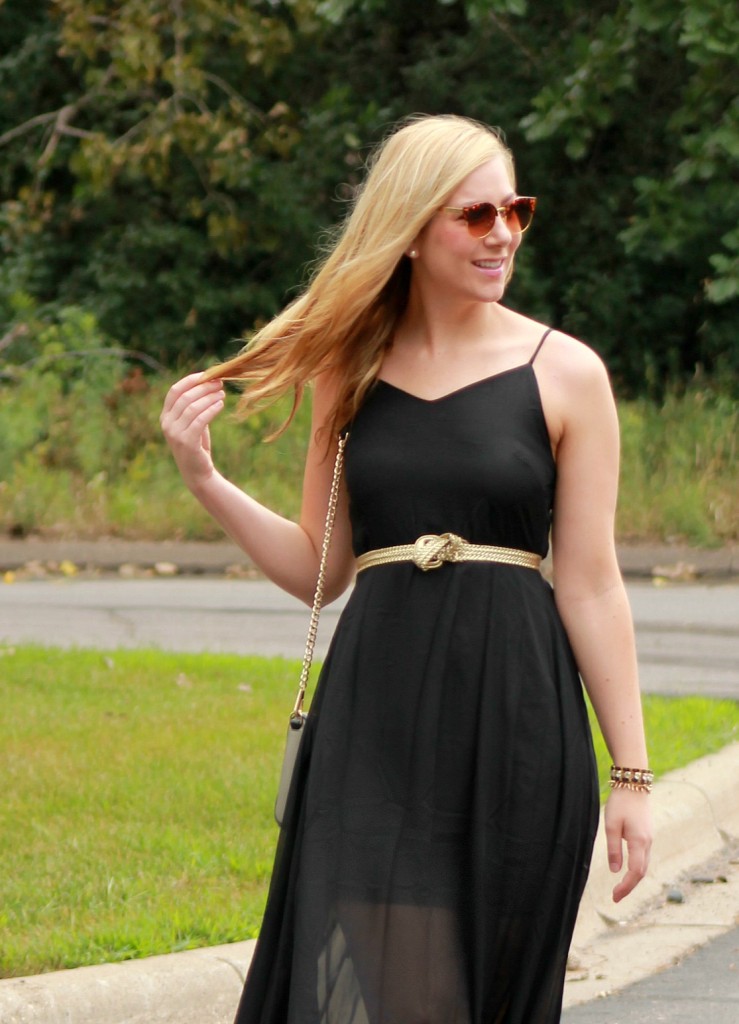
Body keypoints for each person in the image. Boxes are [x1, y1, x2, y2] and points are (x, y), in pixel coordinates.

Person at [161, 113, 652, 1024]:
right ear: (412, 230)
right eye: (474, 215)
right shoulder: (349, 372)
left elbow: (589, 582)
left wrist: (631, 776)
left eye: (515, 209)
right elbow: (320, 567)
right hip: (373, 727)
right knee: (379, 990)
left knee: (485, 994)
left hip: (516, 722)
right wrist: (205, 478)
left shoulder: (566, 373)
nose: (502, 232)